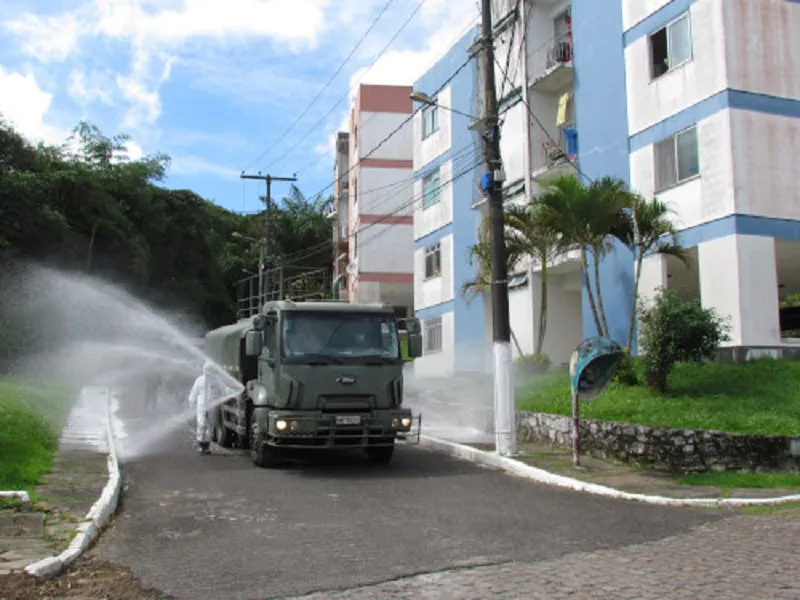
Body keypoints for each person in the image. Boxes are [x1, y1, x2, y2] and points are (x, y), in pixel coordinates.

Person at [188, 360, 216, 455]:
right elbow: (194, 392)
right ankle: (201, 444)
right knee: (201, 424)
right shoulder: (199, 380)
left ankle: (207, 445)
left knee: (210, 425)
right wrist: (191, 402)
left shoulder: (215, 381)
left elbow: (223, 389)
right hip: (201, 406)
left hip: (211, 406)